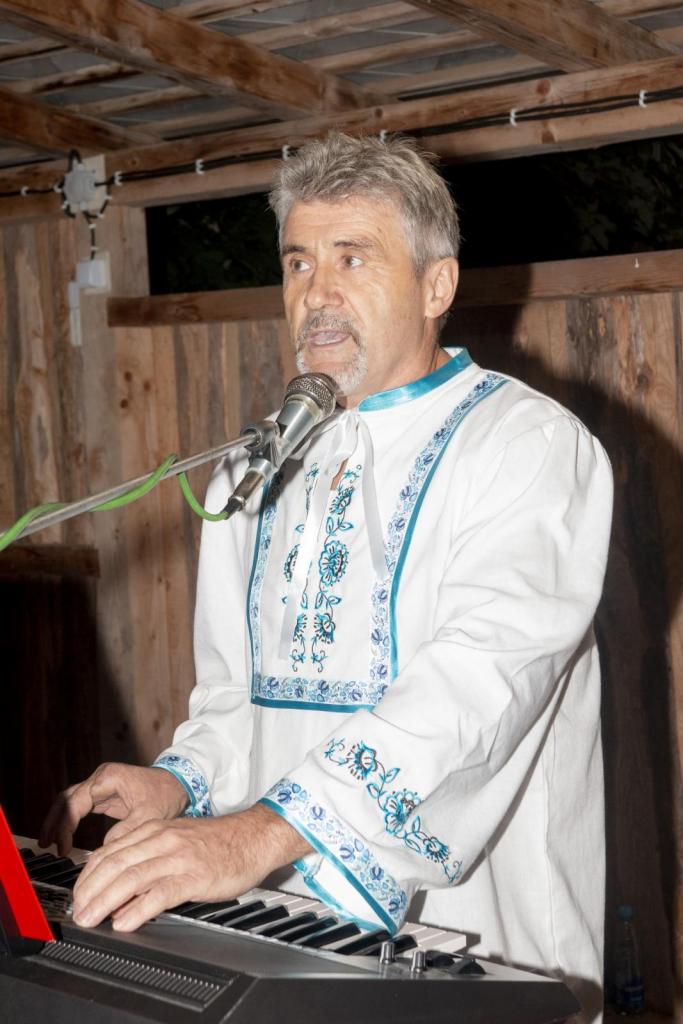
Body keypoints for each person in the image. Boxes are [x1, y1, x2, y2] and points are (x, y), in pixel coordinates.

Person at [41, 132, 613, 1022]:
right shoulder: (253, 468)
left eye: (353, 257)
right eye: (299, 261)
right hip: (279, 924)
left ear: (436, 286)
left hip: (480, 933)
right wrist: (184, 782)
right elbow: (237, 697)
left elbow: (479, 685)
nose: (317, 293)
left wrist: (257, 834)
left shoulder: (526, 447)